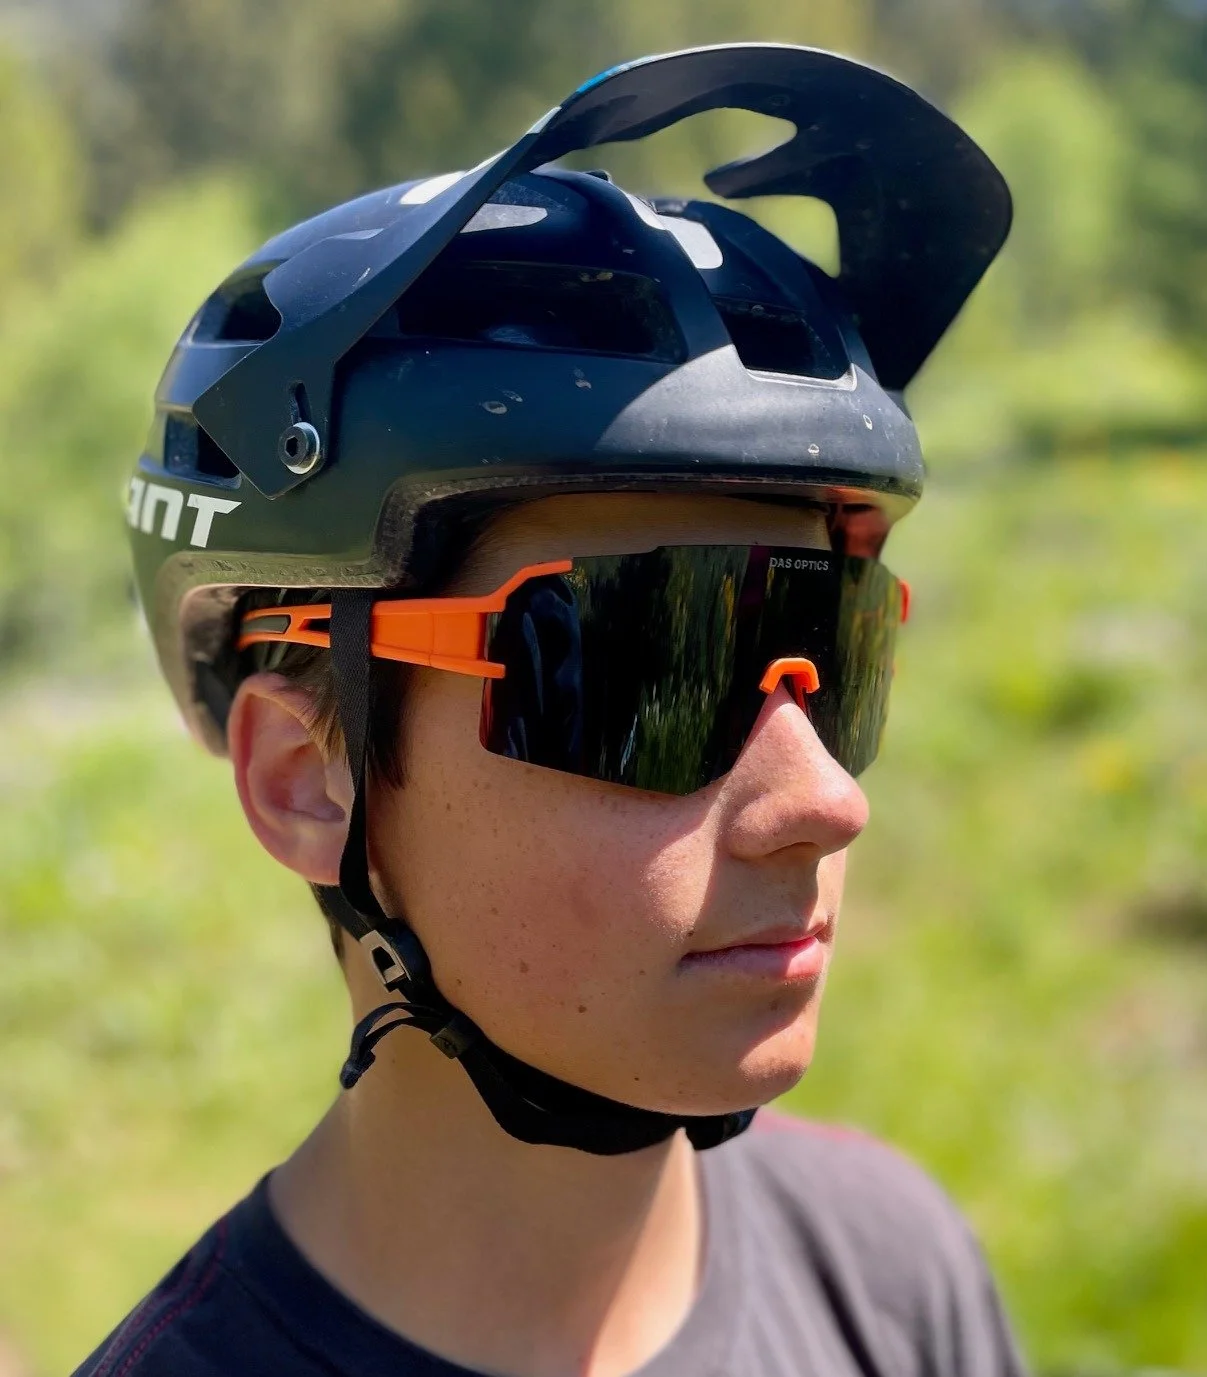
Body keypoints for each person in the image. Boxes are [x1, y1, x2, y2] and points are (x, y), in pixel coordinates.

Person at [76, 43, 1026, 1377]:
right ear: (305, 778)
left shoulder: (888, 1267)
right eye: (640, 667)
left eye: (836, 647)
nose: (825, 801)